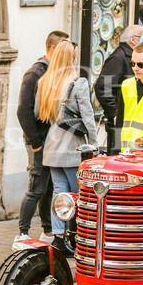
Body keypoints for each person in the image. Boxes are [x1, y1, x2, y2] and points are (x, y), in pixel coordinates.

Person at [38, 40, 97, 256]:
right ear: (72, 58)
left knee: (59, 193)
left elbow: (38, 112)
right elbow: (88, 117)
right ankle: (81, 238)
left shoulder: (45, 82)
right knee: (79, 195)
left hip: (53, 145)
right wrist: (94, 144)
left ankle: (58, 237)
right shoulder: (78, 82)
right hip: (73, 146)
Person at [13, 30, 68, 249]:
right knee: (36, 186)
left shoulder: (52, 72)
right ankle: (22, 233)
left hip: (50, 141)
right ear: (54, 49)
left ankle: (48, 231)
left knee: (49, 186)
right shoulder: (35, 74)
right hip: (39, 142)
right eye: (64, 49)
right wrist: (35, 143)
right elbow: (23, 111)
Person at [95, 24, 143, 153]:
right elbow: (102, 87)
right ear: (133, 39)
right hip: (119, 124)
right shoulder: (118, 57)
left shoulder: (130, 56)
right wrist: (115, 114)